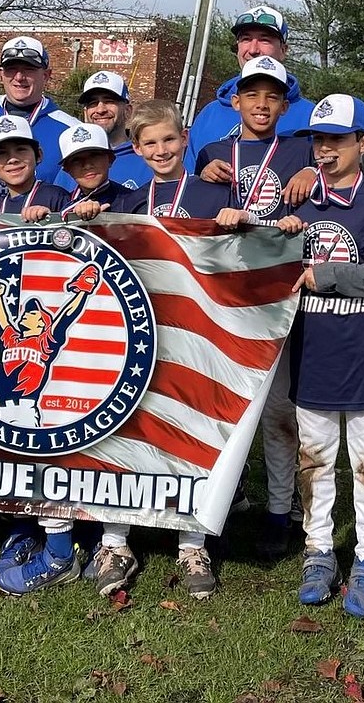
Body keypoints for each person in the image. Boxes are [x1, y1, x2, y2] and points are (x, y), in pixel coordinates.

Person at [92, 98, 234, 600]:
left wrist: (233, 220)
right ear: (135, 148)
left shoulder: (211, 193)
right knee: (123, 427)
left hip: (198, 336)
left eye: (169, 140)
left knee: (194, 428)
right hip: (138, 335)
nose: (160, 150)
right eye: (149, 143)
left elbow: (239, 251)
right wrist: (84, 213)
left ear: (184, 139)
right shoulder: (127, 204)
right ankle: (115, 540)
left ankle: (191, 541)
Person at [284, 94, 364, 618]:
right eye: (318, 139)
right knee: (313, 461)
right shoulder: (297, 201)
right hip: (313, 355)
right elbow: (254, 253)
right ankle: (317, 552)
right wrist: (272, 227)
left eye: (337, 139)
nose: (325, 149)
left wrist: (326, 275)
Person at [196, 54, 315, 557]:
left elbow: (340, 172)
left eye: (273, 96)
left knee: (279, 411)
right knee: (219, 404)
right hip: (224, 295)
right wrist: (203, 171)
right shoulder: (212, 151)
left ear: (285, 105)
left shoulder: (299, 148)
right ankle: (221, 500)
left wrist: (313, 170)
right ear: (235, 101)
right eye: (253, 95)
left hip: (278, 294)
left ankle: (280, 510)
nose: (262, 105)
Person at [185, 4, 315, 167]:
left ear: (283, 50)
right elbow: (190, 179)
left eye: (264, 40)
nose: (253, 49)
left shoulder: (311, 116)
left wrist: (312, 173)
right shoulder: (209, 115)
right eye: (246, 39)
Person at [0, 37, 81, 183]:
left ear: (46, 75)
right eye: (11, 69)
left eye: (29, 69)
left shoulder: (72, 130)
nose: (19, 77)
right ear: (1, 74)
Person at [53, 71, 151, 191]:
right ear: (85, 113)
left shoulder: (148, 158)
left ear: (128, 111)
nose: (100, 110)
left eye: (109, 101)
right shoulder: (73, 162)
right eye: (93, 103)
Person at [0, 116, 71, 216]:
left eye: (20, 149)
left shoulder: (57, 197)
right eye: (1, 153)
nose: (12, 159)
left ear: (39, 155)